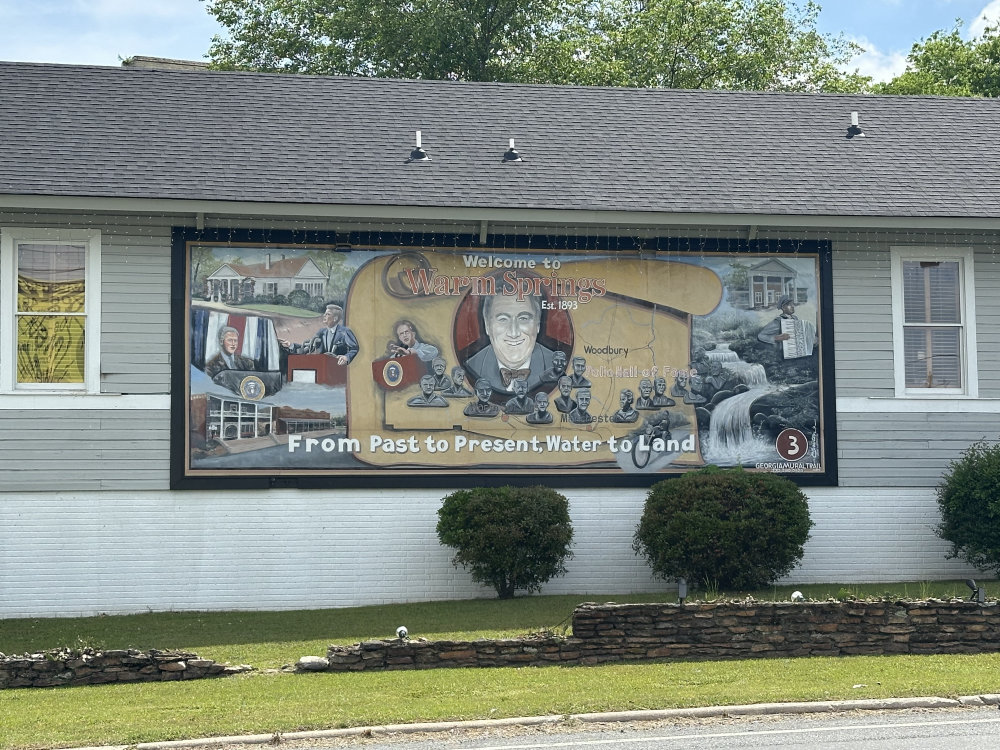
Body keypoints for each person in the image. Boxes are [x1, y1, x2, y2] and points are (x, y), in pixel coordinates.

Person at [462, 292, 556, 397]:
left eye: (523, 318)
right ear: (487, 325)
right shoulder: (469, 369)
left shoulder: (558, 368)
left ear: (537, 324)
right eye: (503, 319)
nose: (514, 333)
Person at [281, 303, 359, 365]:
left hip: (338, 371)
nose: (324, 316)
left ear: (335, 318)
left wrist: (346, 357)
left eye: (328, 314)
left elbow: (354, 348)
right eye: (325, 313)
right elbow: (309, 347)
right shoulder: (322, 332)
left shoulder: (345, 332)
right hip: (323, 368)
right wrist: (291, 345)